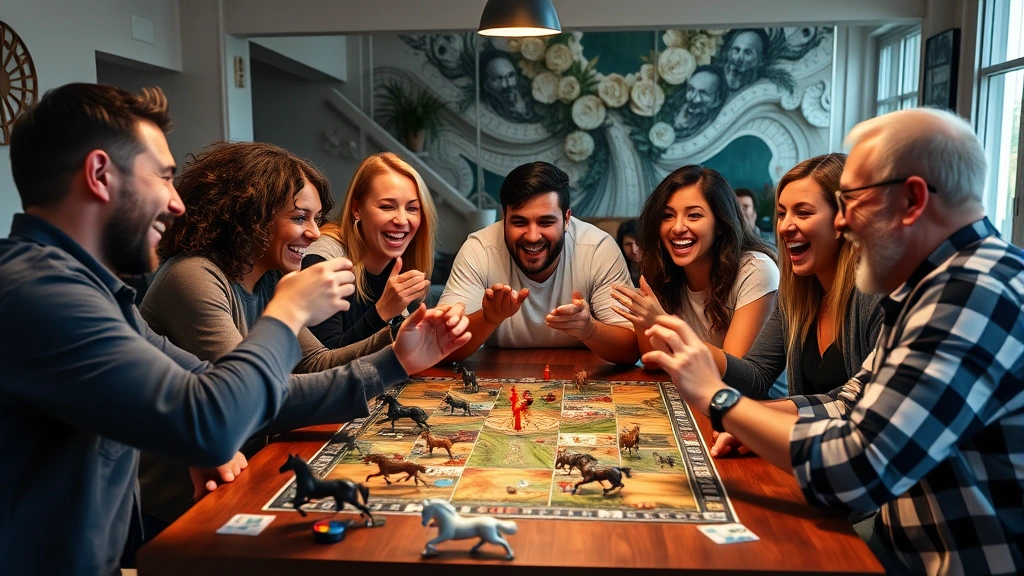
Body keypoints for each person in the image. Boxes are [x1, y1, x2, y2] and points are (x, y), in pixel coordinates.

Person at [0, 83, 472, 575]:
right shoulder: (41, 294)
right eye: (162, 177)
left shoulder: (93, 292)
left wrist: (398, 357)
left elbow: (209, 391)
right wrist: (285, 314)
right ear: (99, 175)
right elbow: (215, 421)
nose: (175, 202)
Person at [643, 108, 1024, 575]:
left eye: (852, 201)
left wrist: (719, 399)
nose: (842, 224)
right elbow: (848, 402)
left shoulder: (971, 296)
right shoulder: (934, 285)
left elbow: (858, 469)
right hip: (895, 539)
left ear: (913, 199)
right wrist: (755, 425)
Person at [136, 142, 401, 530]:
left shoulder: (272, 274)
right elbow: (253, 403)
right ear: (250, 216)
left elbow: (313, 362)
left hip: (239, 482)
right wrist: (396, 362)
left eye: (316, 218)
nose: (313, 233)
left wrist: (400, 337)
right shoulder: (192, 277)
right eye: (299, 218)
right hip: (174, 512)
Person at [438, 161, 639, 364]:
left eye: (546, 222)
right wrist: (488, 318)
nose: (533, 236)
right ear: (504, 217)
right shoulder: (479, 249)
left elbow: (632, 348)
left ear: (567, 219)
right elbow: (441, 346)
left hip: (584, 380)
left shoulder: (598, 249)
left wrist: (590, 330)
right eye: (519, 222)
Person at [719, 155, 883, 399]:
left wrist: (760, 416)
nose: (784, 226)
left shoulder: (877, 294)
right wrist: (690, 346)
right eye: (782, 214)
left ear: (844, 220)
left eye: (803, 213)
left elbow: (862, 400)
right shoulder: (796, 293)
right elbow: (756, 375)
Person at [612, 165, 778, 359]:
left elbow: (735, 370)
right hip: (694, 386)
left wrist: (663, 322)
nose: (678, 227)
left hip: (751, 390)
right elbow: (653, 362)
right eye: (668, 216)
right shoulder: (666, 270)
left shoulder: (756, 270)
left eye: (694, 215)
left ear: (721, 224)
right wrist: (643, 320)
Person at [302, 152, 436, 349]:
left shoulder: (401, 259)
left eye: (412, 208)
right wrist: (382, 311)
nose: (402, 220)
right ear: (357, 209)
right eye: (387, 207)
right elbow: (323, 364)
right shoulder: (324, 260)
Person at [672, 65, 728, 137]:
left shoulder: (718, 129)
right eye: (691, 89)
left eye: (703, 93)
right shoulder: (674, 115)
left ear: (717, 100)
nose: (694, 98)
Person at [480, 49, 534, 122]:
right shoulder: (488, 109)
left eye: (510, 75)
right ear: (486, 82)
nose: (507, 84)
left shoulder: (528, 96)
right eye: (498, 79)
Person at [615, 218, 642, 287]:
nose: (634, 250)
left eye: (639, 243)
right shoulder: (615, 270)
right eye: (628, 244)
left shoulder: (662, 271)